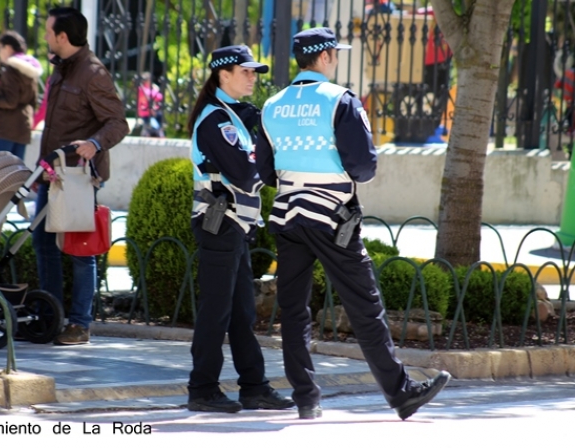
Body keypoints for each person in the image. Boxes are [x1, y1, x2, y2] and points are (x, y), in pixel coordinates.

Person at [256, 27, 450, 420]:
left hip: (287, 215)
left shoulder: (272, 105)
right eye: (335, 53)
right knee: (365, 306)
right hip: (331, 216)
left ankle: (306, 398)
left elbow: (264, 169)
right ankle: (401, 394)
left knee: (293, 310)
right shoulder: (339, 100)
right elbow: (362, 167)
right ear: (325, 56)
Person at [186, 45, 294, 413]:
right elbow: (248, 172)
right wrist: (265, 143)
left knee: (242, 314)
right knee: (216, 312)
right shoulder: (217, 120)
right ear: (223, 74)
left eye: (254, 71)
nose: (253, 77)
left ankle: (254, 387)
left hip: (234, 226)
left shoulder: (232, 117)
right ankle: (201, 389)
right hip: (220, 224)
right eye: (245, 71)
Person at [34, 7, 129, 345]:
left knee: (79, 250)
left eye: (48, 31)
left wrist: (94, 142)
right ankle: (51, 318)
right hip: (52, 173)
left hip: (78, 177)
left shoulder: (93, 73)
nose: (45, 37)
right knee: (43, 242)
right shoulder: (61, 69)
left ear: (62, 36)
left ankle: (80, 324)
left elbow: (119, 123)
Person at [0, 31, 42, 160]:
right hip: (23, 126)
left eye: (0, 48)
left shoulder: (11, 70)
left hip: (7, 127)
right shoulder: (31, 69)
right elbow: (34, 100)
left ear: (8, 47)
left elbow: (10, 101)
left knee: (0, 170)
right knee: (17, 172)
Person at [137, 72, 164, 137]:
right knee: (155, 128)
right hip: (147, 113)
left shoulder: (142, 89)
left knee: (150, 127)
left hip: (151, 112)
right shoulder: (143, 89)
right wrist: (156, 89)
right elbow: (158, 97)